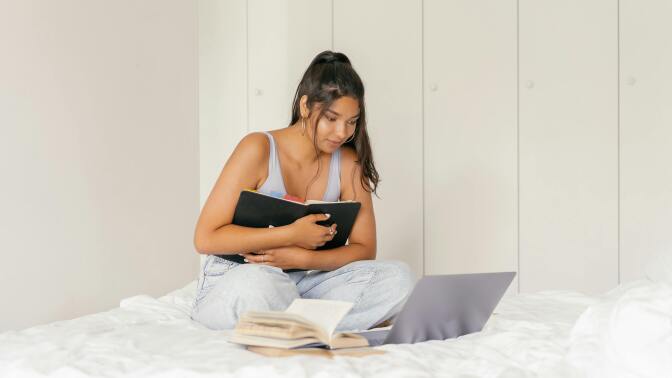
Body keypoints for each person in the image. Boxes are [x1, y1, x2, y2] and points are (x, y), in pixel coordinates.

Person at [190, 50, 414, 332]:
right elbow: (205, 238)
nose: (342, 132)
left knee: (398, 278)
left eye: (352, 121)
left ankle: (293, 322)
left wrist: (303, 258)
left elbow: (365, 249)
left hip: (302, 280)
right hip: (239, 277)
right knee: (260, 284)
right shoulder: (258, 148)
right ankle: (318, 321)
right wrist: (291, 235)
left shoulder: (347, 162)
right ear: (306, 106)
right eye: (331, 118)